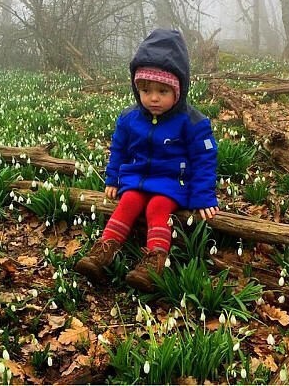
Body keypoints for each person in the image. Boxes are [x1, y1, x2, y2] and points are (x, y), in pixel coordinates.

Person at [74, 29, 219, 292]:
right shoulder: (130, 117)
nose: (153, 98)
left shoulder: (192, 121)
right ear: (136, 88)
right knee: (127, 202)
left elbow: (204, 159)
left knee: (157, 209)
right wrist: (113, 178)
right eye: (146, 90)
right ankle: (103, 252)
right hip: (136, 179)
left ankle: (154, 262)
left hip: (171, 183)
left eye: (163, 91)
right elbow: (118, 149)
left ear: (179, 89)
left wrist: (203, 196)